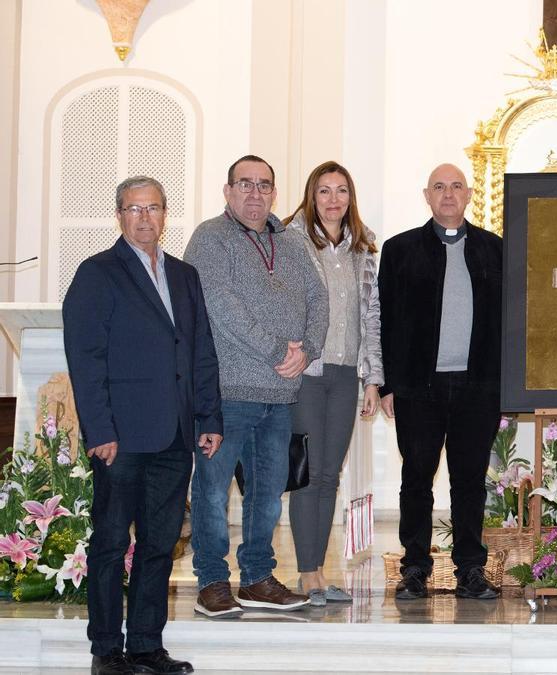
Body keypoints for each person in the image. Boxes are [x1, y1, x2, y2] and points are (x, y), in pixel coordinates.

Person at [63, 176, 222, 675]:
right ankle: (107, 650)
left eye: (153, 208)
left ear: (164, 214)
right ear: (119, 215)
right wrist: (100, 430)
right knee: (111, 543)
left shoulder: (184, 275)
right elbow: (85, 360)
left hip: (174, 435)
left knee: (159, 544)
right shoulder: (97, 273)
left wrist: (209, 416)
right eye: (134, 209)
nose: (144, 217)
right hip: (122, 439)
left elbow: (200, 352)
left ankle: (147, 646)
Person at [183, 155, 328, 617]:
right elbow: (219, 306)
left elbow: (318, 297)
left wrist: (308, 349)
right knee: (211, 490)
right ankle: (211, 580)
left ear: (274, 194)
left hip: (280, 396)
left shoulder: (290, 241)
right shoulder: (211, 238)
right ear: (227, 191)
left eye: (264, 185)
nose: (255, 193)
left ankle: (258, 578)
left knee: (267, 494)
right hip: (226, 392)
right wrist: (276, 351)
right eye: (245, 184)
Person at [378, 163, 503, 600]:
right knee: (417, 477)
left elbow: (510, 324)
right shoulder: (399, 250)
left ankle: (471, 568)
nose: (448, 194)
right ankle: (415, 567)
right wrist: (386, 384)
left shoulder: (495, 250)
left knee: (469, 480)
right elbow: (386, 321)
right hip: (418, 387)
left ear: (469, 195)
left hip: (478, 386)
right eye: (438, 187)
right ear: (426, 196)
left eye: (455, 187)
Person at [282, 161, 383, 606]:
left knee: (329, 476)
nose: (333, 200)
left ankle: (321, 572)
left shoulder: (363, 248)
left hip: (346, 375)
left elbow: (371, 318)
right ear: (311, 196)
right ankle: (307, 574)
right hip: (308, 373)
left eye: (341, 191)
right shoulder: (291, 243)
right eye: (324, 191)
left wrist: (373, 381)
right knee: (307, 475)